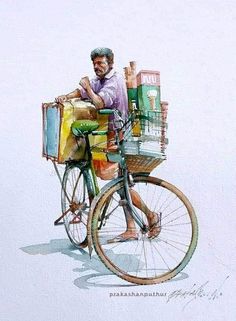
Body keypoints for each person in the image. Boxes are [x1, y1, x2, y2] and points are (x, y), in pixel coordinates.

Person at [56, 47, 160, 241]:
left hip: (120, 135)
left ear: (110, 63)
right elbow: (81, 91)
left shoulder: (114, 80)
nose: (97, 67)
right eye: (94, 64)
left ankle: (150, 215)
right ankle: (130, 227)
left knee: (118, 183)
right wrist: (66, 96)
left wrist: (87, 88)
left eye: (101, 63)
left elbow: (99, 102)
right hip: (110, 135)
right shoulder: (101, 79)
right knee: (119, 185)